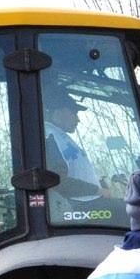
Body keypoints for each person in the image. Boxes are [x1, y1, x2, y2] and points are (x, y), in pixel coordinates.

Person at [45, 87, 127, 226]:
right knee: (133, 212)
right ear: (58, 112)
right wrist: (96, 190)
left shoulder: (59, 136)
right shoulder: (50, 137)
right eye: (74, 113)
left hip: (88, 202)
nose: (78, 119)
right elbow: (57, 181)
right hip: (80, 208)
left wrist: (98, 182)